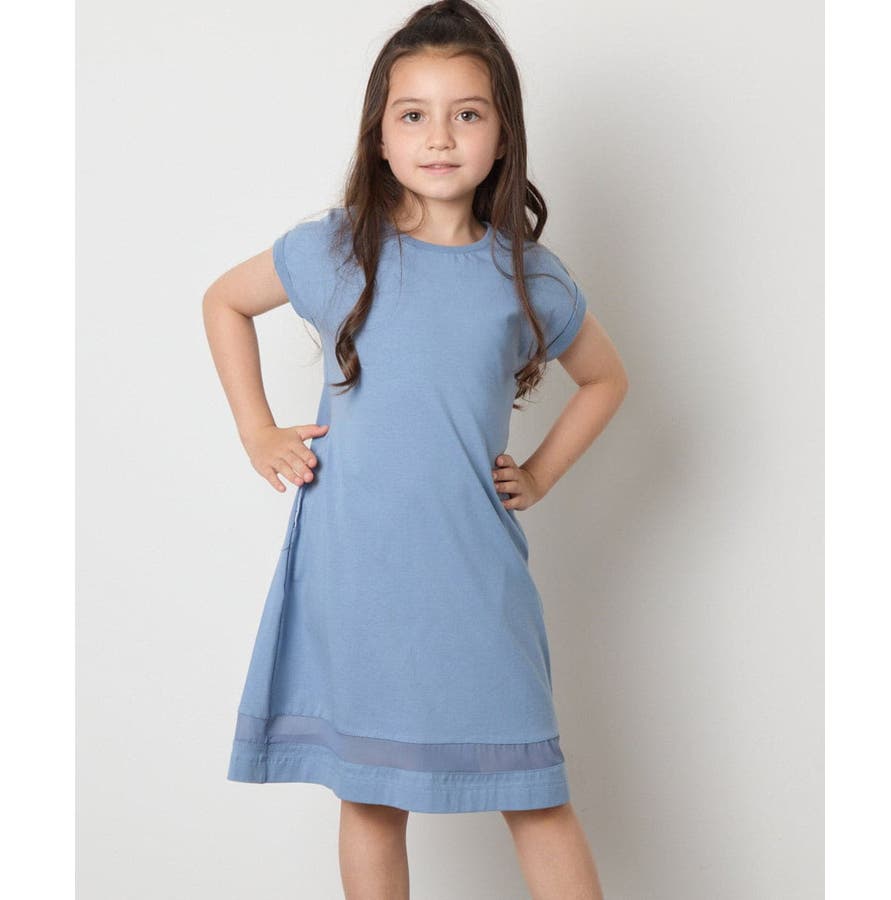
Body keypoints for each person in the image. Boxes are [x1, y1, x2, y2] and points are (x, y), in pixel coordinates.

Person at [202, 1, 627, 896]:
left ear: (502, 135)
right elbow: (225, 301)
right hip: (355, 572)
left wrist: (540, 474)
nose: (439, 137)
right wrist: (256, 429)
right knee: (368, 795)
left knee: (535, 792)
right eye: (413, 114)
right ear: (380, 135)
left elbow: (605, 379)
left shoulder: (528, 275)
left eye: (466, 113)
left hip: (475, 574)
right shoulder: (333, 250)